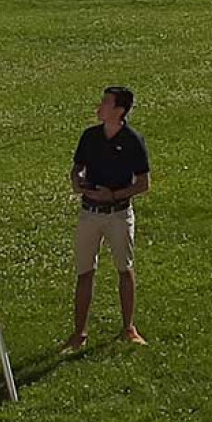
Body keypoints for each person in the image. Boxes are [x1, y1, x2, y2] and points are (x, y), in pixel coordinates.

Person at [64, 85, 150, 349]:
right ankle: (79, 334)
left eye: (106, 103)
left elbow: (143, 183)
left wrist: (113, 195)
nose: (99, 106)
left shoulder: (133, 140)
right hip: (89, 213)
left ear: (119, 110)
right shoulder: (90, 136)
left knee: (124, 268)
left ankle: (129, 328)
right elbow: (77, 168)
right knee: (84, 272)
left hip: (118, 214)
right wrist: (77, 182)